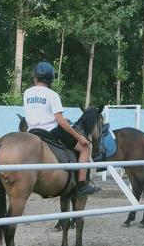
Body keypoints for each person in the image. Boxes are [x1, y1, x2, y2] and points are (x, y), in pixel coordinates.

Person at [23, 61, 97, 195]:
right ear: (50, 80)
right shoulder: (52, 95)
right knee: (85, 148)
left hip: (32, 131)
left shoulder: (27, 93)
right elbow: (60, 122)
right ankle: (82, 184)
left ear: (35, 78)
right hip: (50, 131)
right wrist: (80, 137)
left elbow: (38, 112)